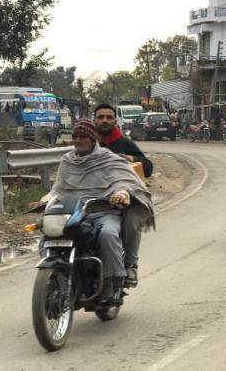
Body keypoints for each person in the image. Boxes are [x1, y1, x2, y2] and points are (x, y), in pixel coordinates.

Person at [40, 119, 155, 304]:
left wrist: (122, 192)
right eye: (75, 136)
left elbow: (124, 180)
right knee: (47, 235)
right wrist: (46, 198)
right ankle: (54, 278)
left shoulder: (109, 159)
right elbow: (58, 188)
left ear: (93, 139)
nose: (77, 140)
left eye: (83, 136)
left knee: (108, 234)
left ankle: (112, 282)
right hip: (73, 213)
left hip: (103, 211)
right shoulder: (68, 160)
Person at [93, 103, 153, 287]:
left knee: (134, 216)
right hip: (91, 194)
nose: (104, 120)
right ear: (94, 120)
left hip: (122, 194)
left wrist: (131, 158)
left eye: (109, 117)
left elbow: (148, 167)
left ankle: (130, 264)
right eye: (101, 117)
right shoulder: (87, 141)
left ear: (115, 120)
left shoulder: (124, 143)